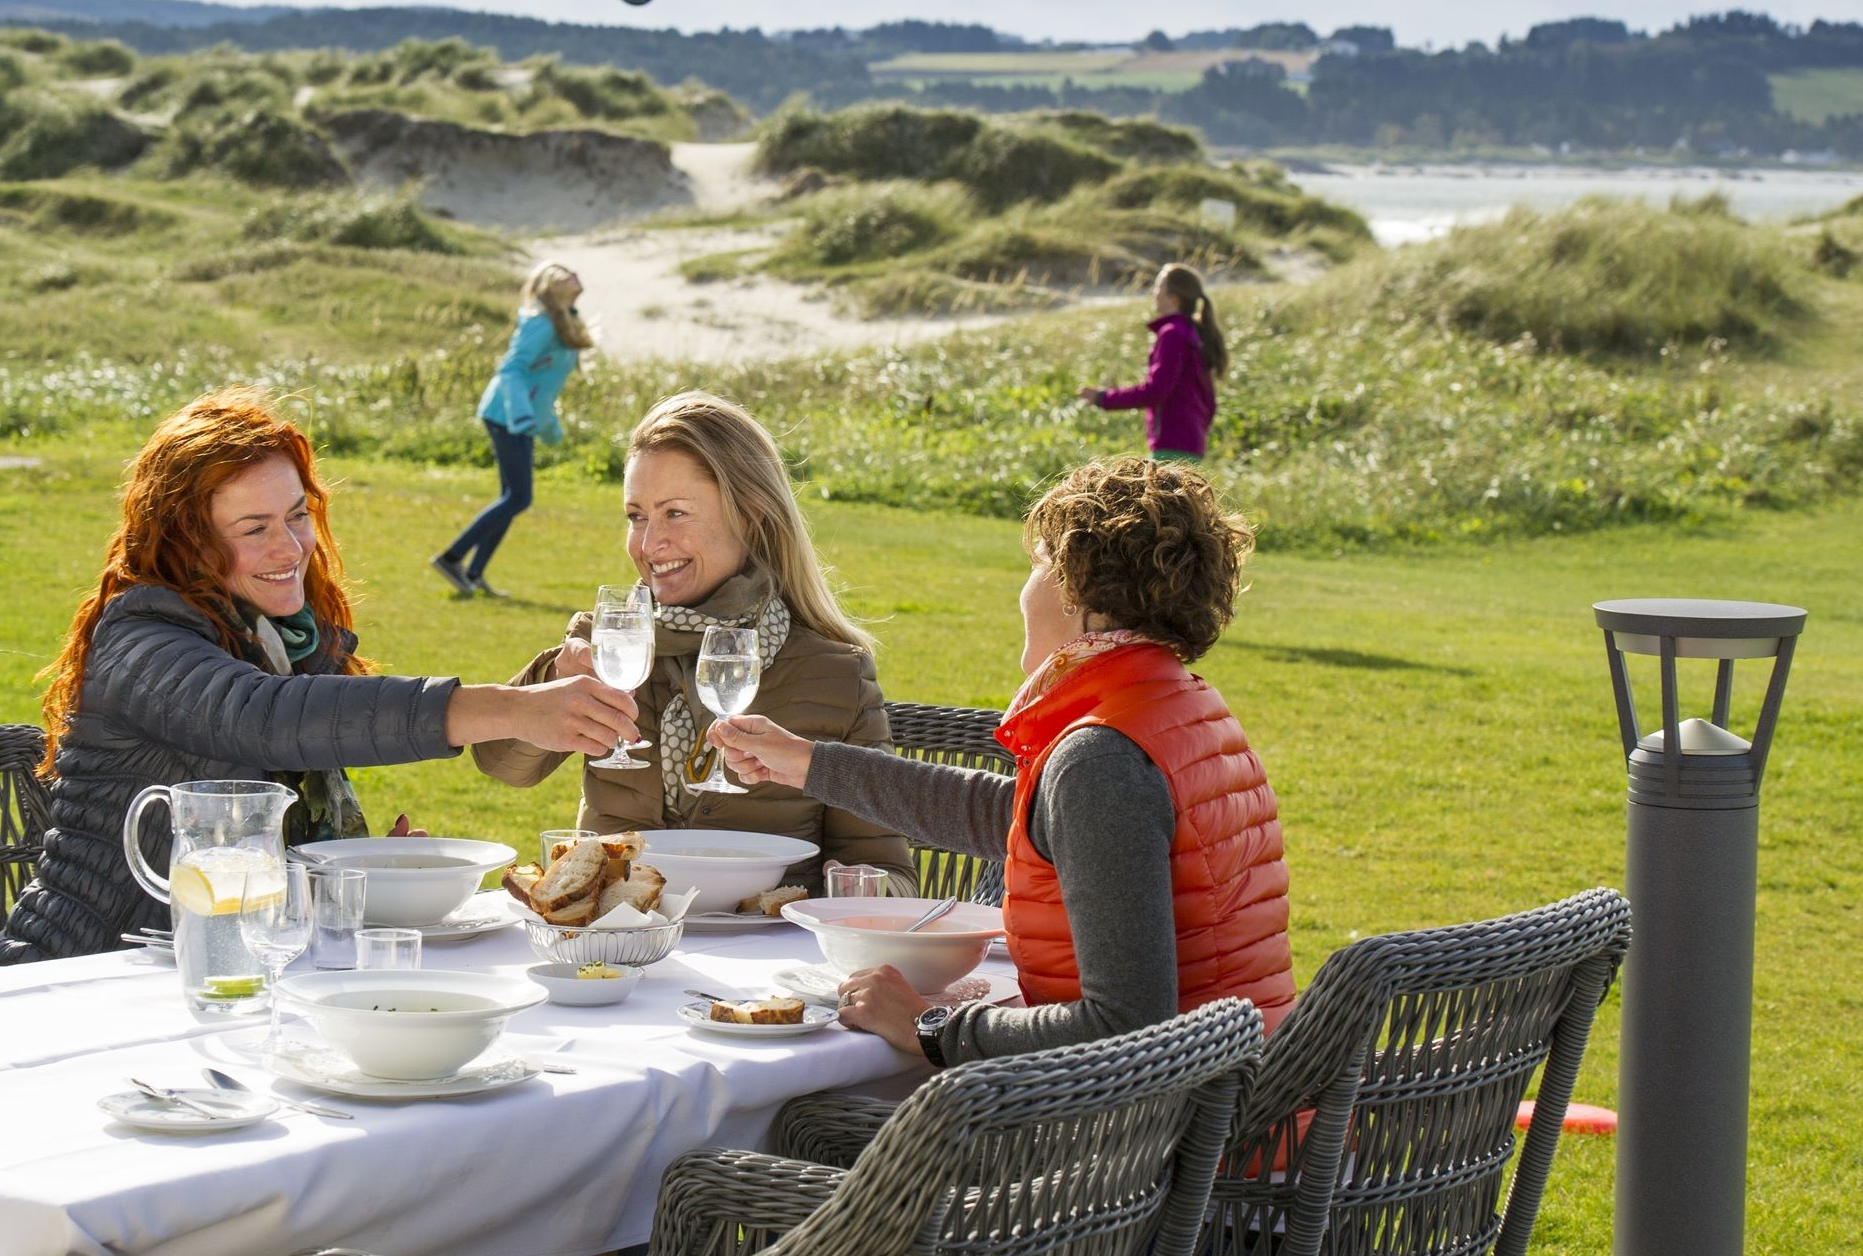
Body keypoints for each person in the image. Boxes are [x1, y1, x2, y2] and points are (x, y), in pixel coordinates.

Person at [0, 388, 637, 962]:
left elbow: (271, 814)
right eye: (254, 528)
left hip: (229, 963)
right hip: (84, 969)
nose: (291, 547)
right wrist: (514, 709)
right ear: (187, 540)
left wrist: (357, 868)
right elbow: (265, 718)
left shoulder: (285, 638)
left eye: (297, 516)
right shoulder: (141, 640)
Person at [710, 456, 1294, 1066]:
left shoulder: (1102, 759)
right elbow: (1012, 818)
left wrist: (929, 1026)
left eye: (1038, 564)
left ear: (1076, 588)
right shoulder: (1178, 707)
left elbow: (1125, 1025)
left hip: (1167, 1115)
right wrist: (807, 762)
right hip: (1233, 1089)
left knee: (798, 1107)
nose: (1024, 588)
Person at [473, 391, 914, 893]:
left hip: (765, 939)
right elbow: (501, 763)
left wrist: (838, 895)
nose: (648, 544)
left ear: (750, 514)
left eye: (675, 513)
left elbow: (888, 870)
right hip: (620, 934)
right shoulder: (608, 646)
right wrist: (551, 682)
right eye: (636, 516)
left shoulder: (834, 674)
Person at [432, 260, 592, 598]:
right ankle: (451, 558)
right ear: (550, 286)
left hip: (521, 419)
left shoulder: (565, 320)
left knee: (513, 497)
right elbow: (512, 370)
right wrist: (521, 415)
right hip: (506, 416)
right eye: (565, 274)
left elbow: (543, 383)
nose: (574, 275)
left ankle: (473, 573)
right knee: (519, 497)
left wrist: (548, 424)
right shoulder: (542, 323)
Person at [1078, 262, 1228, 463]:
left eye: (1158, 287)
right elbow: (1209, 399)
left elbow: (1155, 391)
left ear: (1173, 298)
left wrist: (1104, 398)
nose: (1153, 293)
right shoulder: (1193, 333)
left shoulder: (1172, 334)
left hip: (1172, 444)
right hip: (1190, 443)